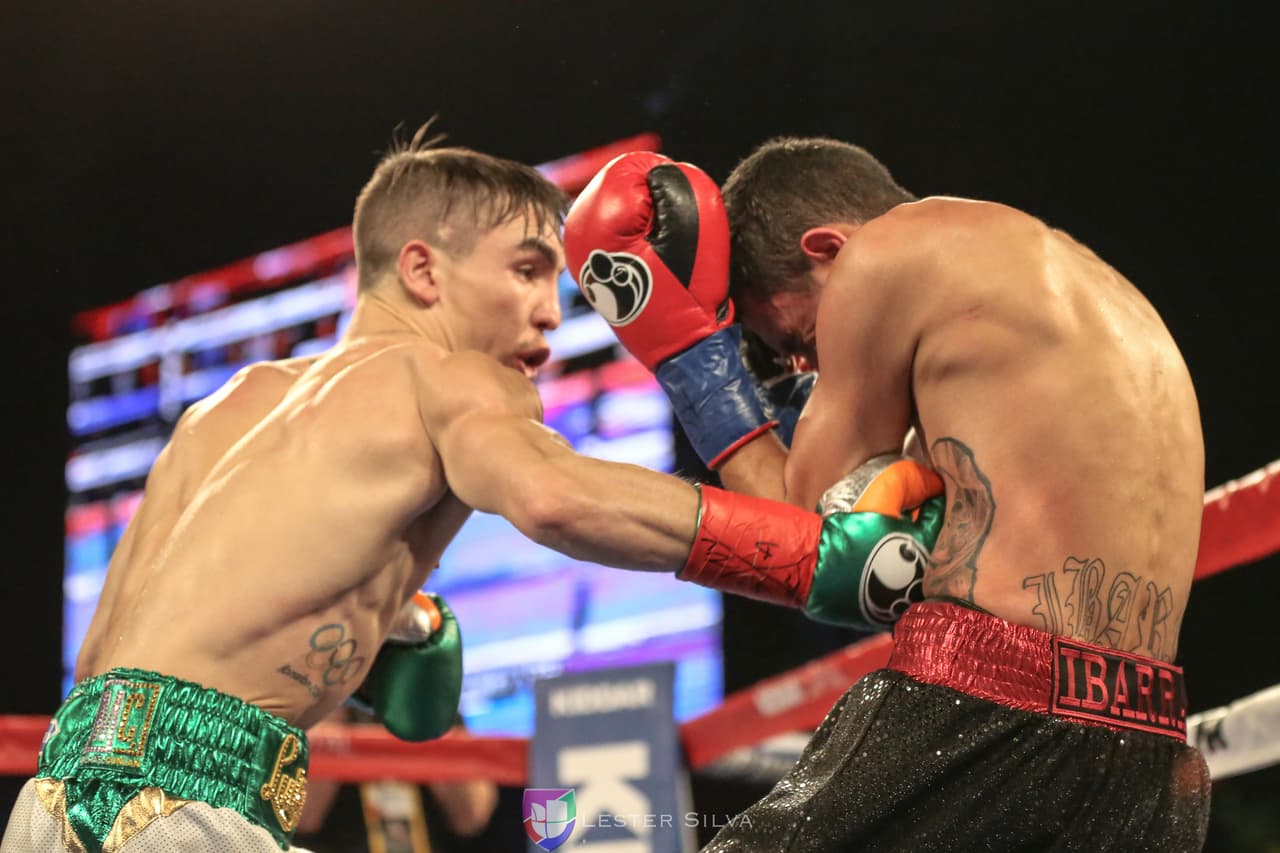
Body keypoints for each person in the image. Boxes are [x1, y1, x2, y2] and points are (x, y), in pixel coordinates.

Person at [1, 128, 942, 853]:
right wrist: (807, 555)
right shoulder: (446, 378)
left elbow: (105, 656)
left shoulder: (227, 407)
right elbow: (557, 497)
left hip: (52, 798)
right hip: (185, 806)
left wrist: (391, 628)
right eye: (528, 268)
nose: (547, 307)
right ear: (422, 269)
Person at [562, 140, 1212, 850]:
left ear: (828, 248)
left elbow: (810, 537)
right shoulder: (1087, 289)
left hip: (987, 704)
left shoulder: (883, 254)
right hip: (1151, 747)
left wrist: (692, 365)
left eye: (797, 336)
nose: (806, 366)